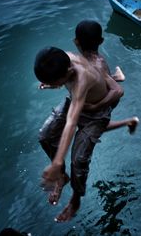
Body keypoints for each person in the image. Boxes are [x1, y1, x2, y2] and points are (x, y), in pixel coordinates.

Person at [34, 47, 131, 222]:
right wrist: (51, 83)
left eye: (57, 83)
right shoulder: (62, 59)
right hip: (78, 102)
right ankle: (62, 177)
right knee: (45, 136)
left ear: (68, 72)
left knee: (78, 160)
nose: (57, 86)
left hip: (96, 115)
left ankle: (75, 199)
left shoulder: (80, 78)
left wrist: (56, 162)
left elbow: (71, 122)